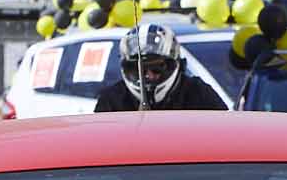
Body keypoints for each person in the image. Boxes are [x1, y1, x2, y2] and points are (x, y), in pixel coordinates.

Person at [93, 20, 221, 113]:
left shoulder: (198, 93)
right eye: (140, 71)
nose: (149, 76)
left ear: (174, 65)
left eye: (157, 69)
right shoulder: (111, 101)